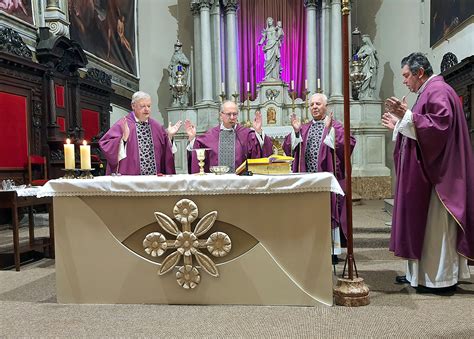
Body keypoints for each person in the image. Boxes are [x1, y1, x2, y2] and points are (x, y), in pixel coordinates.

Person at [382, 52, 473, 293]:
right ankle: (419, 276)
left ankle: (439, 280)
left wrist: (407, 117)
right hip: (428, 176)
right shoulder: (429, 91)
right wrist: (400, 124)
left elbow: (439, 127)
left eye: (406, 76)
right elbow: (423, 125)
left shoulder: (438, 91)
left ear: (419, 73)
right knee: (425, 229)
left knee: (435, 230)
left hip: (438, 181)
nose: (404, 81)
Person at [282, 93, 356, 261]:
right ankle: (310, 247)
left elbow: (348, 144)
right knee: (310, 213)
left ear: (326, 106)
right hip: (309, 180)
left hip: (328, 180)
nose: (314, 107)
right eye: (312, 104)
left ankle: (332, 251)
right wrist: (295, 132)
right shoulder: (304, 128)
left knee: (329, 212)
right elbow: (290, 148)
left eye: (318, 104)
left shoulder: (336, 126)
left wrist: (329, 131)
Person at [99, 91, 181, 175]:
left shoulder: (156, 127)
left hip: (154, 181)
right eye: (142, 106)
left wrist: (169, 137)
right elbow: (105, 144)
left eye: (149, 106)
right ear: (133, 106)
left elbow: (166, 153)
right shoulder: (123, 124)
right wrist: (123, 140)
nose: (147, 109)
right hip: (131, 179)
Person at [184, 100, 273, 174]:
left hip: (241, 183)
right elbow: (198, 152)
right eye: (228, 114)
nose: (232, 117)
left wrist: (259, 132)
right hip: (216, 184)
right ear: (221, 115)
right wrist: (192, 139)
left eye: (234, 114)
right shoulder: (211, 135)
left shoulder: (246, 134)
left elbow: (260, 152)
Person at [168, 40, 191, 107]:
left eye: (177, 46)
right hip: (174, 74)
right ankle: (176, 100)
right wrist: (170, 67)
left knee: (182, 87)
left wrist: (180, 60)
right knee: (174, 87)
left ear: (180, 47)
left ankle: (183, 101)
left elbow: (187, 62)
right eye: (175, 46)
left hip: (181, 74)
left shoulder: (182, 55)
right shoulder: (174, 56)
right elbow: (171, 64)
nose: (176, 48)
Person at [355, 34, 378, 99]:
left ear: (367, 39)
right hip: (365, 65)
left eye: (363, 38)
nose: (362, 40)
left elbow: (376, 59)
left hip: (371, 66)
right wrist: (365, 54)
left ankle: (369, 94)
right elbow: (356, 56)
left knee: (371, 78)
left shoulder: (372, 48)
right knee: (365, 78)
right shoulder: (363, 48)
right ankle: (363, 94)